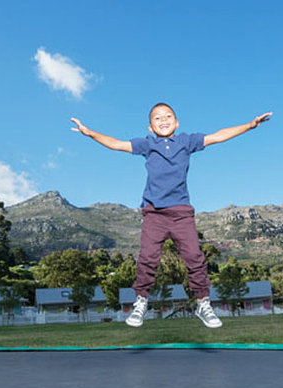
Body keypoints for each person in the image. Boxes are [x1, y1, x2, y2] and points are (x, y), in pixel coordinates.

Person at [71, 103, 272, 328]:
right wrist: (90, 134)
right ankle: (141, 301)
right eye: (157, 118)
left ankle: (203, 303)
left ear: (177, 123)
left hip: (181, 213)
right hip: (153, 213)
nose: (163, 120)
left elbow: (217, 136)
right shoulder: (147, 144)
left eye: (168, 116)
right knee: (148, 257)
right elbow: (117, 144)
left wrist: (250, 126)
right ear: (150, 126)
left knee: (194, 257)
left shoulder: (187, 141)